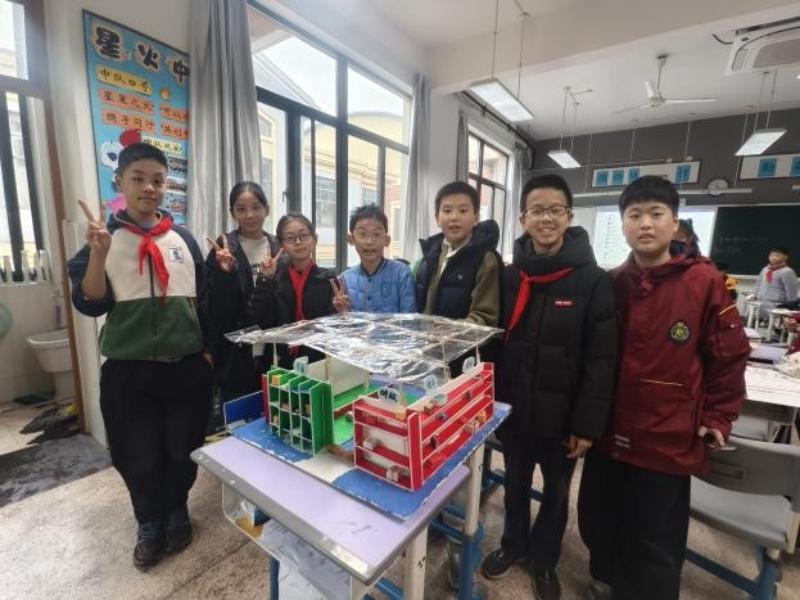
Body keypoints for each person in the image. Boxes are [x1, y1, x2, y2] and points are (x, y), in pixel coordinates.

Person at [578, 175, 750, 600]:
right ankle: (608, 583)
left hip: (666, 436)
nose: (645, 224)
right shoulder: (613, 282)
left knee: (654, 536)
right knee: (599, 518)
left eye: (656, 214)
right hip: (610, 433)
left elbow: (729, 355)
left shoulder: (704, 281)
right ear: (622, 225)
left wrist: (718, 416)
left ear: (675, 223)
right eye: (634, 215)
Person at [67, 143, 213, 570]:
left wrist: (206, 354)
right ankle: (149, 521)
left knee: (183, 448)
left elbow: (203, 302)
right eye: (138, 178)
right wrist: (99, 254)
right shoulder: (104, 239)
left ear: (166, 186)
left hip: (185, 368)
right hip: (128, 372)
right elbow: (91, 302)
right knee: (137, 453)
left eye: (157, 180)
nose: (149, 187)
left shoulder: (183, 239)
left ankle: (177, 509)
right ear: (120, 183)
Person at [479, 174, 617, 600]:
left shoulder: (593, 280)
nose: (546, 218)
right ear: (523, 218)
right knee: (515, 483)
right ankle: (513, 545)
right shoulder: (509, 275)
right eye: (537, 210)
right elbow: (495, 344)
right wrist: (488, 404)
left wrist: (587, 425)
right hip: (515, 408)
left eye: (556, 209)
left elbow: (602, 359)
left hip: (563, 417)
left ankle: (544, 560)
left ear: (569, 216)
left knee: (556, 494)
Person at [205, 182, 280, 407]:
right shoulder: (224, 248)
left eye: (256, 207)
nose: (250, 215)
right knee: (238, 417)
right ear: (232, 213)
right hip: (235, 355)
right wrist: (225, 273)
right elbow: (213, 306)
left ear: (266, 209)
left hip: (272, 352)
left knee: (274, 415)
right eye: (241, 209)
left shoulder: (277, 246)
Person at [246, 213, 340, 368]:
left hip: (317, 363)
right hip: (278, 362)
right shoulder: (274, 279)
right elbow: (257, 320)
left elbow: (333, 328)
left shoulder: (328, 280)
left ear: (314, 239)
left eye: (304, 235)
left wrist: (340, 312)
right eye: (290, 238)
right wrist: (265, 279)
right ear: (281, 245)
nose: (298, 242)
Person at [415, 180, 502, 329]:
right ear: (437, 218)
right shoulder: (431, 254)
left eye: (463, 211)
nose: (454, 217)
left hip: (460, 343)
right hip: (426, 340)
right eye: (447, 211)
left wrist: (452, 331)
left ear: (476, 218)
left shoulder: (485, 260)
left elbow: (484, 317)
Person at [334, 204, 416, 313]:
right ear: (351, 239)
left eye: (376, 234)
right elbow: (345, 321)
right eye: (362, 234)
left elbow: (409, 318)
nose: (369, 242)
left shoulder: (402, 273)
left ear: (386, 240)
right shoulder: (345, 279)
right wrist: (343, 312)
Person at [750, 247, 799, 320]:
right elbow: (758, 283)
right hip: (761, 302)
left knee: (774, 325)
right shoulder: (765, 269)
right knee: (759, 323)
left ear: (785, 257)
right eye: (771, 255)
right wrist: (754, 294)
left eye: (777, 255)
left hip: (777, 305)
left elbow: (791, 290)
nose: (773, 257)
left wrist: (790, 305)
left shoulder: (787, 271)